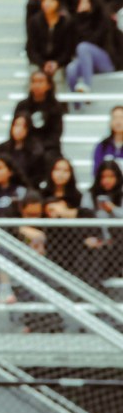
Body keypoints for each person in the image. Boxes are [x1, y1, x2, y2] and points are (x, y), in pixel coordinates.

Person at [78, 159, 123, 289]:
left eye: (111, 176)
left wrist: (113, 209)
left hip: (117, 245)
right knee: (90, 256)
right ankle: (90, 288)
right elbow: (83, 218)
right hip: (96, 243)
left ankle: (90, 290)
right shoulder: (90, 195)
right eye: (103, 177)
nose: (107, 181)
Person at [65, 0, 115, 94]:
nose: (81, 4)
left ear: (93, 2)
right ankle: (77, 102)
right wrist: (80, 17)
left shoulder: (103, 19)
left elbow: (94, 40)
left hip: (104, 60)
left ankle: (87, 85)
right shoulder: (77, 20)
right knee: (71, 68)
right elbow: (72, 43)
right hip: (85, 61)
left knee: (83, 47)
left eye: (84, 1)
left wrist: (83, 18)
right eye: (81, 1)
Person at [13, 69, 63, 164]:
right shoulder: (22, 106)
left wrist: (40, 147)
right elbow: (15, 129)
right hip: (26, 145)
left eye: (40, 82)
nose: (36, 85)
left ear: (49, 85)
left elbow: (55, 134)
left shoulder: (55, 107)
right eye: (34, 82)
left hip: (48, 148)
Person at [26, 0, 73, 79]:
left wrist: (57, 63)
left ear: (58, 2)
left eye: (51, 0)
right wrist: (43, 63)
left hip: (60, 63)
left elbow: (68, 50)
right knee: (37, 76)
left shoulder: (66, 23)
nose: (47, 3)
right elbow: (31, 49)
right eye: (44, 0)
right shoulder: (34, 22)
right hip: (39, 62)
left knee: (60, 76)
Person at [0, 114, 45, 190]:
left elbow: (37, 177)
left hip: (28, 189)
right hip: (4, 188)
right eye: (16, 125)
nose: (19, 129)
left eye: (23, 126)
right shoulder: (2, 148)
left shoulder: (36, 151)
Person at [93, 106, 123, 176]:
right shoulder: (102, 146)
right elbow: (96, 172)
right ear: (110, 122)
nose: (118, 121)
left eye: (121, 117)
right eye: (115, 118)